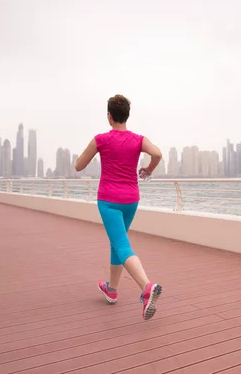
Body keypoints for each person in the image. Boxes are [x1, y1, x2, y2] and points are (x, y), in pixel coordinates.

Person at [75, 94, 163, 320]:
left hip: (109, 201)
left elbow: (78, 166)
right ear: (127, 116)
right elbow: (157, 153)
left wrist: (97, 151)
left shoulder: (101, 139)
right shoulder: (138, 139)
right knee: (117, 242)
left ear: (109, 116)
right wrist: (148, 170)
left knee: (122, 245)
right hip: (131, 200)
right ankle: (111, 289)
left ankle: (146, 287)